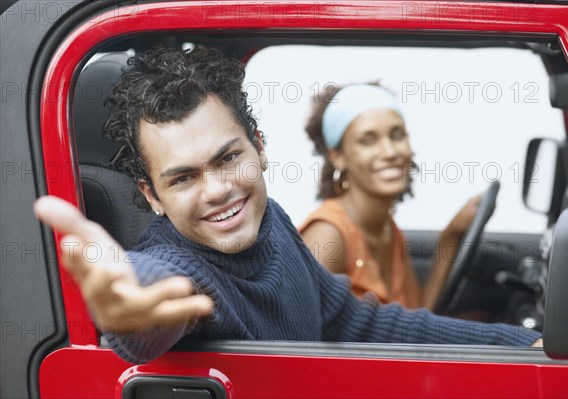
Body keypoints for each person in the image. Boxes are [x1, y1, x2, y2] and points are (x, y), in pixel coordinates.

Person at [33, 47, 541, 365]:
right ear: (151, 196)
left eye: (228, 158)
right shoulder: (178, 266)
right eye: (183, 177)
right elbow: (157, 295)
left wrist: (527, 348)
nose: (216, 190)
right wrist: (126, 310)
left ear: (259, 146)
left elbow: (361, 323)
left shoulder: (273, 222)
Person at [299, 83, 480, 310]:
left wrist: (450, 237)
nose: (390, 152)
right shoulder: (328, 235)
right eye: (368, 140)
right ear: (338, 157)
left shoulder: (387, 229)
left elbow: (414, 322)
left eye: (397, 135)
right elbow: (298, 337)